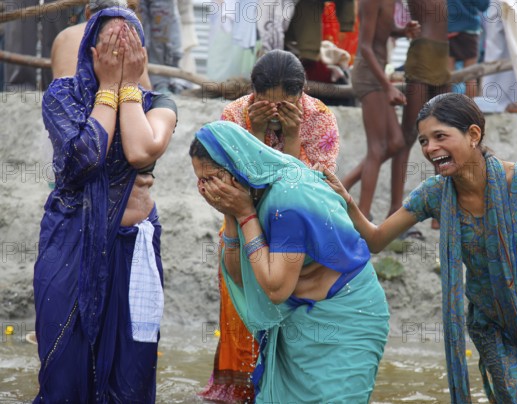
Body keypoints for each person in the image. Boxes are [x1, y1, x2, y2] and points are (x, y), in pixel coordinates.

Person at [322, 93, 517, 402]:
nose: (430, 148)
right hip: (498, 330)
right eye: (424, 141)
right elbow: (376, 239)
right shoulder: (433, 195)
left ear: (473, 135)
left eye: (440, 136)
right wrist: (347, 202)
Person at [33, 6, 177, 402]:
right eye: (110, 44)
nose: (118, 51)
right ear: (91, 51)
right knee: (63, 369)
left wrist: (125, 87)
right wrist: (107, 88)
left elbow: (138, 150)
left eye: (128, 44)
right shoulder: (62, 97)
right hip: (71, 248)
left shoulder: (159, 104)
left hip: (132, 252)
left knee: (131, 373)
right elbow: (89, 154)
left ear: (142, 54)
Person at [190, 120, 389, 402]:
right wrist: (231, 213)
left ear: (236, 167)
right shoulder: (252, 189)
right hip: (297, 323)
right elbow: (239, 277)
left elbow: (275, 289)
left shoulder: (288, 197)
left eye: (211, 178)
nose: (206, 188)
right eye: (200, 180)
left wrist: (246, 215)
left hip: (345, 320)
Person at [199, 48, 340, 402]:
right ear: (253, 92)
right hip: (238, 231)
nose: (276, 112)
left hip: (297, 239)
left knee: (292, 324)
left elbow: (304, 193)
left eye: (286, 103)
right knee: (243, 321)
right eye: (266, 102)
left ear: (301, 92)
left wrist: (291, 138)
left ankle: (285, 389)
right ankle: (241, 390)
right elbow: (228, 187)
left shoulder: (320, 118)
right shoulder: (234, 115)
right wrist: (256, 130)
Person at [342, 0, 420, 219]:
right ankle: (363, 215)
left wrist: (402, 31)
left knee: (396, 142)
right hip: (369, 76)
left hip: (378, 76)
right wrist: (388, 87)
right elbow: (365, 47)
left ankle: (342, 184)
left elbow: (381, 31)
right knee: (377, 148)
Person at [50, 0, 152, 88]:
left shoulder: (65, 36)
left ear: (87, 12)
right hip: (119, 104)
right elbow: (147, 94)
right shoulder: (134, 40)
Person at [447, 0, 489, 98]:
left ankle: (448, 108)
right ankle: (470, 109)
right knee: (471, 76)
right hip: (470, 31)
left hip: (449, 29)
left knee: (449, 75)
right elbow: (483, 6)